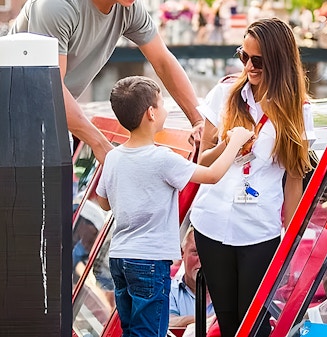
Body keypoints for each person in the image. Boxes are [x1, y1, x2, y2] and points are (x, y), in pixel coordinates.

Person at [9, 0, 204, 164]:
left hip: (53, 120)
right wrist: (101, 144)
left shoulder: (129, 8)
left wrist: (199, 120)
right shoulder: (57, 4)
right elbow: (50, 87)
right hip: (10, 119)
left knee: (61, 198)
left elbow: (163, 61)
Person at [94, 76, 253, 337]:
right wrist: (236, 141)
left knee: (131, 329)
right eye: (163, 103)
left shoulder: (113, 157)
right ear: (151, 113)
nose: (166, 109)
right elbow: (212, 175)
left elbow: (103, 202)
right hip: (149, 260)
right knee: (150, 332)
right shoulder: (163, 159)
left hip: (119, 258)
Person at [190, 18, 316, 337]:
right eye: (243, 56)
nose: (248, 66)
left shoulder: (298, 110)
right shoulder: (224, 93)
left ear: (278, 60)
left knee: (254, 323)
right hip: (212, 220)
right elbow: (202, 160)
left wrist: (293, 238)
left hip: (259, 229)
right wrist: (230, 144)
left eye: (257, 60)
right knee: (228, 319)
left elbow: (294, 177)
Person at [169, 226, 214, 328]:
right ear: (182, 254)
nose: (202, 260)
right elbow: (166, 323)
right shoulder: (169, 290)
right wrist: (212, 321)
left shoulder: (230, 293)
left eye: (209, 254)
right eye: (196, 252)